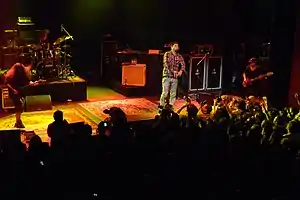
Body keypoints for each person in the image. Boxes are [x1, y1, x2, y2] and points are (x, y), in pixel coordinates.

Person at [5, 63, 33, 128]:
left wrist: (31, 83)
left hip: (18, 91)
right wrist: (13, 90)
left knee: (20, 106)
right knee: (19, 105)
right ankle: (18, 122)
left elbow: (25, 82)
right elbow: (7, 82)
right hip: (13, 91)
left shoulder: (23, 73)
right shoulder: (18, 67)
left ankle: (18, 122)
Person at [159, 41, 186, 110]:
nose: (177, 47)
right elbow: (166, 64)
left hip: (175, 77)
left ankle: (171, 106)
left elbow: (183, 64)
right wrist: (173, 71)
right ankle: (161, 107)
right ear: (172, 47)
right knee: (165, 93)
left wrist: (181, 71)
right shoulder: (167, 54)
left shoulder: (179, 56)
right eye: (175, 46)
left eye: (177, 46)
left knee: (173, 94)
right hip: (167, 76)